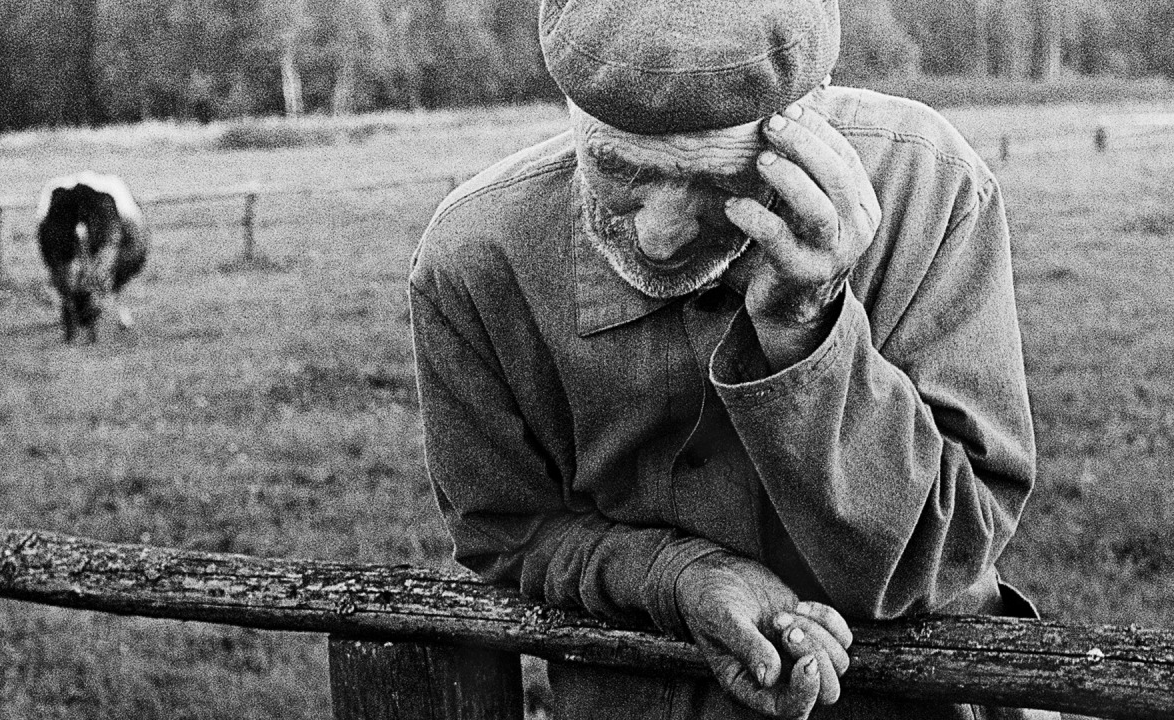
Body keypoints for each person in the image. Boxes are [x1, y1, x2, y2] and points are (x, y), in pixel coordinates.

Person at [409, 0, 1047, 717]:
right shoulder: (472, 260)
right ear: (572, 107)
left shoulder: (931, 191)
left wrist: (806, 327)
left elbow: (943, 554)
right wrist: (677, 576)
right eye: (617, 167)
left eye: (721, 182)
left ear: (815, 110)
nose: (658, 236)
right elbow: (505, 530)